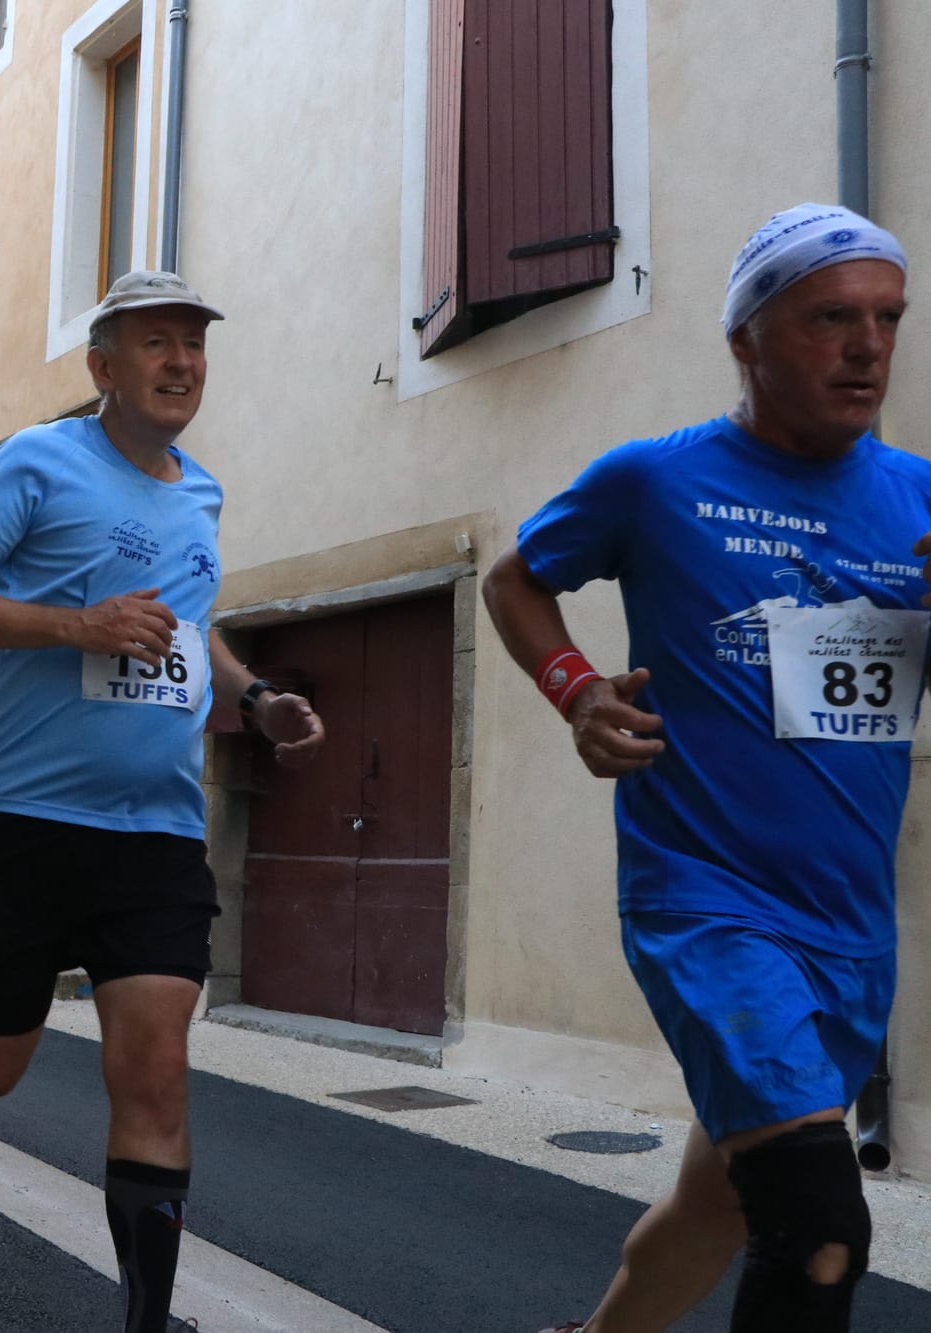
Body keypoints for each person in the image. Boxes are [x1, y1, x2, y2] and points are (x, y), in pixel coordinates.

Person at [0, 270, 326, 1332]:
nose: (180, 363)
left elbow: (187, 625)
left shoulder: (199, 492)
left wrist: (255, 699)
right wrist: (76, 625)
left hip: (152, 833)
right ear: (103, 367)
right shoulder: (38, 462)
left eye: (193, 345)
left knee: (156, 1069)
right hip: (18, 826)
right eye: (155, 344)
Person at [481, 204, 921, 1333]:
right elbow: (513, 581)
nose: (867, 347)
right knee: (817, 1225)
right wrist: (575, 690)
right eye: (830, 318)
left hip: (849, 926)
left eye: (886, 318)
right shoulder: (651, 480)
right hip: (708, 905)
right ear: (745, 339)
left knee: (719, 1201)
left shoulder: (917, 499)